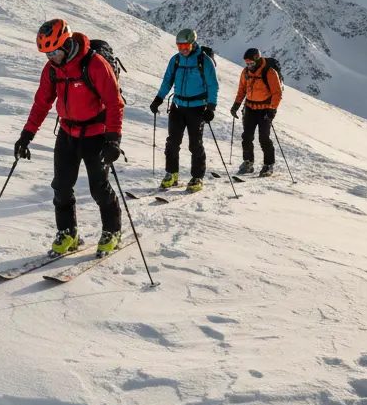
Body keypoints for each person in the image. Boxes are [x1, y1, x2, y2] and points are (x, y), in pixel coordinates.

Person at [13, 19, 125, 256]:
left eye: (53, 51)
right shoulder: (52, 70)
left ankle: (112, 230)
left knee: (99, 188)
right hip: (67, 133)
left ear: (66, 45)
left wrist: (114, 140)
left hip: (96, 135)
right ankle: (68, 233)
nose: (50, 57)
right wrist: (26, 135)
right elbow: (41, 103)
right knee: (61, 186)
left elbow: (115, 104)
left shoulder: (94, 65)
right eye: (46, 53)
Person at [149, 28, 218, 193]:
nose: (183, 49)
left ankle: (197, 177)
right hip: (177, 107)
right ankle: (172, 174)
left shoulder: (204, 61)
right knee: (172, 142)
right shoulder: (176, 60)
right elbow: (167, 81)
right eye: (179, 46)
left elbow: (213, 85)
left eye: (185, 45)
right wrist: (158, 99)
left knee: (195, 144)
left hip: (197, 108)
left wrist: (211, 107)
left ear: (193, 43)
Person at [230, 47, 282, 177]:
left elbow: (277, 93)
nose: (249, 66)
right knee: (246, 137)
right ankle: (248, 163)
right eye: (246, 63)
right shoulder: (246, 72)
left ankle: (268, 165)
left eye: (251, 63)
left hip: (265, 109)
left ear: (257, 60)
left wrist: (272, 110)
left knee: (264, 138)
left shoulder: (269, 72)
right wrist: (236, 105)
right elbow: (242, 90)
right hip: (250, 108)